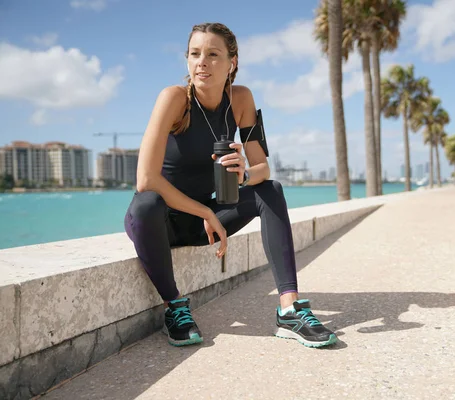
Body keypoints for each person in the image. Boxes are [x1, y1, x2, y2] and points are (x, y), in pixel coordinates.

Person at [123, 22, 337, 348]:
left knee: (271, 190)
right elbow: (145, 180)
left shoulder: (241, 99)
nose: (201, 63)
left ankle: (289, 309)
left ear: (231, 62)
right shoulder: (173, 99)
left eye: (212, 54)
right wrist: (205, 213)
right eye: (195, 54)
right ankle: (175, 307)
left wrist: (244, 174)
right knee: (146, 202)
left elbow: (263, 166)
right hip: (159, 221)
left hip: (202, 221)